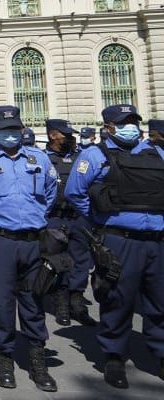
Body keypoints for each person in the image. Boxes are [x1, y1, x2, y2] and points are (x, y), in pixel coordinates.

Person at [64, 104, 164, 389]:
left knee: (160, 301)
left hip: (157, 241)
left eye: (133, 121)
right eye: (123, 122)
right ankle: (115, 357)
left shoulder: (157, 153)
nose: (130, 126)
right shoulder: (95, 155)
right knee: (118, 300)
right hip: (120, 240)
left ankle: (160, 352)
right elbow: (75, 192)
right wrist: (100, 218)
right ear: (108, 127)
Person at [0, 106, 58, 392]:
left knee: (33, 301)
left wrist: (32, 217)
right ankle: (5, 358)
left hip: (33, 241)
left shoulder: (39, 158)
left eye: (15, 129)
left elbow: (51, 193)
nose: (11, 135)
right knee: (1, 302)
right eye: (5, 131)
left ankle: (37, 361)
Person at [42, 119, 95, 327]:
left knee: (81, 261)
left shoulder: (79, 157)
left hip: (78, 217)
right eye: (66, 135)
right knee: (58, 261)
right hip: (54, 217)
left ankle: (77, 302)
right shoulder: (43, 159)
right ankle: (61, 302)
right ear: (53, 135)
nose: (71, 139)